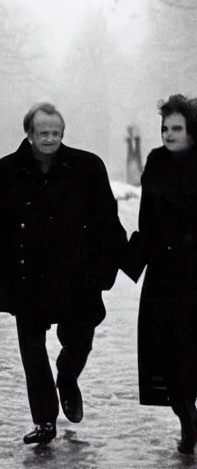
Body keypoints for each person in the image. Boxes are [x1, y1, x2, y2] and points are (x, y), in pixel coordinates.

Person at [0, 102, 127, 445]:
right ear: (29, 134)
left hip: (76, 274)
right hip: (26, 277)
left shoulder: (87, 167)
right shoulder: (7, 170)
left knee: (80, 340)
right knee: (32, 351)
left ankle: (67, 378)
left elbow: (107, 219)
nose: (50, 139)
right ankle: (45, 420)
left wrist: (105, 269)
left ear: (63, 134)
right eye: (43, 133)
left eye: (56, 133)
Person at [121, 94, 197, 454]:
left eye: (176, 128)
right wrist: (125, 258)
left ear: (192, 132)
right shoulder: (155, 162)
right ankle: (187, 422)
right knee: (166, 359)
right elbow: (147, 220)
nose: (168, 134)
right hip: (164, 278)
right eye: (165, 127)